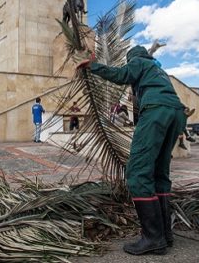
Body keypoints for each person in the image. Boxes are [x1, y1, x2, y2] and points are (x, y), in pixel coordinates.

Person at [77, 46, 187, 256]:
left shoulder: (139, 62)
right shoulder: (158, 70)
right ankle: (164, 235)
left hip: (156, 112)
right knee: (159, 174)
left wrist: (93, 66)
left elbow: (121, 74)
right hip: (176, 114)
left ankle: (153, 238)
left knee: (137, 173)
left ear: (133, 57)